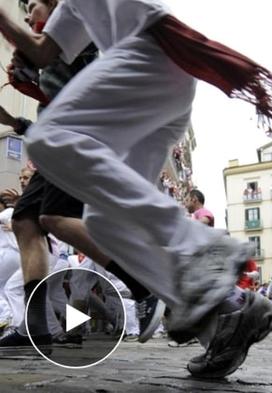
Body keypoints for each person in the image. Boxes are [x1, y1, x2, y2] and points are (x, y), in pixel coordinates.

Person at [0, 0, 272, 378]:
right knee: (104, 222)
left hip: (147, 58)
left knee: (49, 140)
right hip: (163, 83)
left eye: (33, 4)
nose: (28, 13)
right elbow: (43, 51)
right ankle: (228, 313)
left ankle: (205, 247)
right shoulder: (71, 10)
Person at [0, 0, 164, 350]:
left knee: (56, 217)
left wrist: (25, 52)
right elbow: (51, 92)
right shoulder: (57, 49)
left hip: (81, 132)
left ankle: (145, 287)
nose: (28, 16)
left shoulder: (74, 21)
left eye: (32, 6)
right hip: (57, 137)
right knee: (25, 221)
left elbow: (50, 58)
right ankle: (35, 327)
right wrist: (16, 116)